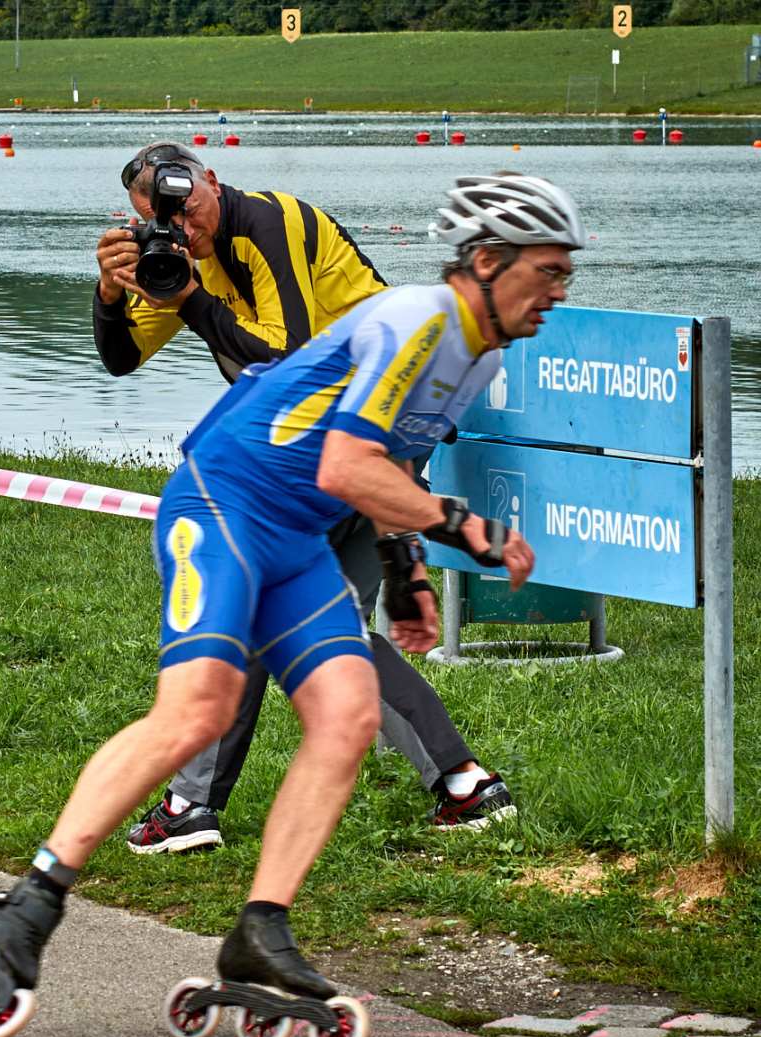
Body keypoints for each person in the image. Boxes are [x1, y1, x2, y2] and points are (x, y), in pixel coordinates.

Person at [0, 174, 583, 1037]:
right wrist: (466, 528)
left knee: (348, 717)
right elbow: (345, 467)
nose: (557, 291)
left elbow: (393, 458)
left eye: (564, 274)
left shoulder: (480, 356)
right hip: (224, 505)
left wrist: (404, 570)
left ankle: (261, 930)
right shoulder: (414, 321)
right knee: (197, 712)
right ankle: (31, 904)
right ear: (488, 261)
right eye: (548, 271)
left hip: (296, 539)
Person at [92, 141, 512, 854]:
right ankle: (464, 784)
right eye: (162, 219)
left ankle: (193, 805)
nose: (182, 227)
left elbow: (281, 356)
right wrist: (109, 294)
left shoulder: (269, 222)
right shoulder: (181, 259)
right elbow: (120, 358)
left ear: (212, 181)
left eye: (187, 207)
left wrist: (190, 301)